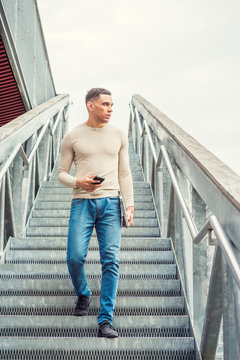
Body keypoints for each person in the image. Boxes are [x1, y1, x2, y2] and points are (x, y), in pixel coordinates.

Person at [57, 88, 134, 338]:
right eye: (105, 104)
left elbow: (124, 173)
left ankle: (105, 320)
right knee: (74, 257)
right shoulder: (73, 136)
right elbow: (61, 173)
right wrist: (79, 182)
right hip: (82, 203)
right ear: (91, 106)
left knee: (111, 261)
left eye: (112, 104)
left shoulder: (119, 134)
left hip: (111, 203)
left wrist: (130, 205)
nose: (111, 108)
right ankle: (84, 293)